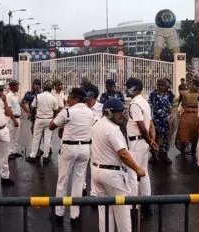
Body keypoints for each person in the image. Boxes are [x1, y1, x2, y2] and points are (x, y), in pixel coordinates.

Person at [91, 98, 146, 232]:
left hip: (97, 172)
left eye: (122, 111)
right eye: (117, 112)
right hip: (112, 175)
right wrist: (137, 169)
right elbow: (123, 154)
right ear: (109, 112)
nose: (121, 115)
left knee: (105, 211)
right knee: (123, 212)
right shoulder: (112, 129)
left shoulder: (97, 125)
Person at [49, 88, 94, 225]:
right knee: (78, 182)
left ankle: (59, 214)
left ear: (75, 98)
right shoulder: (90, 112)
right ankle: (75, 215)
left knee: (62, 181)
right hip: (85, 148)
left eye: (69, 97)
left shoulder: (68, 111)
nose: (67, 99)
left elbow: (51, 126)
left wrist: (62, 121)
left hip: (69, 148)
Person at [126, 78, 158, 217]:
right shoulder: (144, 102)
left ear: (135, 88)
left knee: (132, 174)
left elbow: (142, 127)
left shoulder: (135, 104)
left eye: (129, 87)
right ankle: (146, 205)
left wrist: (150, 141)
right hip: (143, 142)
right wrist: (151, 140)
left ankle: (134, 208)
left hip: (137, 141)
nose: (127, 90)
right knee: (144, 173)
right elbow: (151, 125)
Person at [26, 81, 59, 163]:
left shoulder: (38, 96)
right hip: (49, 119)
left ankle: (33, 155)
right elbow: (56, 110)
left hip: (39, 119)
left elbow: (33, 107)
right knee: (47, 138)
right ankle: (45, 156)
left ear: (44, 88)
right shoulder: (54, 98)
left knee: (36, 138)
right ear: (51, 89)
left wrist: (33, 117)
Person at [149, 79, 173, 165]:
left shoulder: (169, 94)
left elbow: (171, 106)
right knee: (154, 137)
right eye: (158, 85)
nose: (160, 87)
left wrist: (170, 115)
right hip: (156, 119)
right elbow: (150, 106)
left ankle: (164, 154)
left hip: (165, 120)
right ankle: (153, 155)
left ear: (166, 86)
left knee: (165, 138)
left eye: (162, 85)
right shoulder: (153, 94)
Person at [176, 79, 199, 154]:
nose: (194, 87)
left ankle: (193, 148)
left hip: (197, 116)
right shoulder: (184, 93)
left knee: (196, 133)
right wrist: (177, 110)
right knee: (183, 134)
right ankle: (183, 148)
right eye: (193, 85)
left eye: (197, 86)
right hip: (185, 116)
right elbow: (177, 102)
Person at [6, 80, 22, 160]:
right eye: (17, 85)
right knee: (10, 136)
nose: (18, 87)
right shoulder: (8, 96)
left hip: (17, 118)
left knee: (16, 136)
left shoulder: (16, 95)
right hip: (12, 119)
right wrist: (14, 120)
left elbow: (20, 104)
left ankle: (14, 151)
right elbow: (8, 109)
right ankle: (9, 153)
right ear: (12, 86)